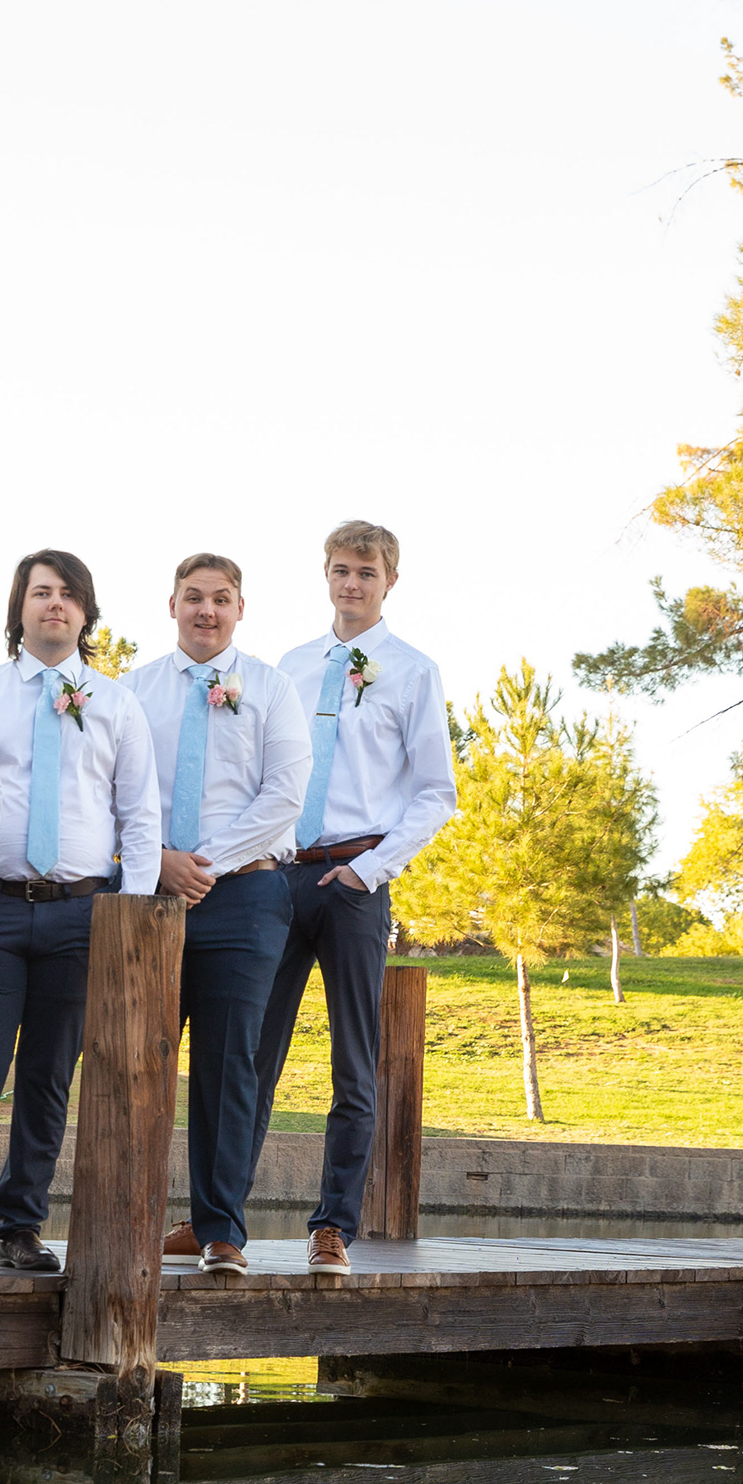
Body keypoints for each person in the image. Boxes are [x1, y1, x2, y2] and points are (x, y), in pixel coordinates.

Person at [0, 550, 160, 1271]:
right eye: (40, 592)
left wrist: (131, 919)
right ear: (19, 608)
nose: (54, 603)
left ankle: (20, 1227)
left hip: (81, 917)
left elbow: (140, 818)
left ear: (86, 612)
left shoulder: (117, 704)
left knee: (49, 1073)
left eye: (68, 594)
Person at [247, 521, 456, 1272]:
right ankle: (218, 1220)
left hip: (355, 880)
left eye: (367, 572)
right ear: (326, 575)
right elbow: (265, 771)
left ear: (389, 580)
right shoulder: (290, 667)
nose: (352, 583)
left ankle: (332, 1225)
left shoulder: (414, 672)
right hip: (280, 878)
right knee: (250, 1055)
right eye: (341, 569)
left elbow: (435, 792)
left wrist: (372, 869)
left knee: (353, 1063)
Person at [131, 554, 309, 1277]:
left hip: (245, 897)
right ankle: (126, 1217)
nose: (207, 609)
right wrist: (160, 862)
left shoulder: (271, 688)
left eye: (222, 598)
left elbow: (285, 792)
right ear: (171, 604)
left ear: (240, 608)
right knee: (135, 1059)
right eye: (194, 596)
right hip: (149, 895)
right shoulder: (134, 690)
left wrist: (200, 864)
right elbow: (114, 789)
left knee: (230, 1063)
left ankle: (219, 1230)